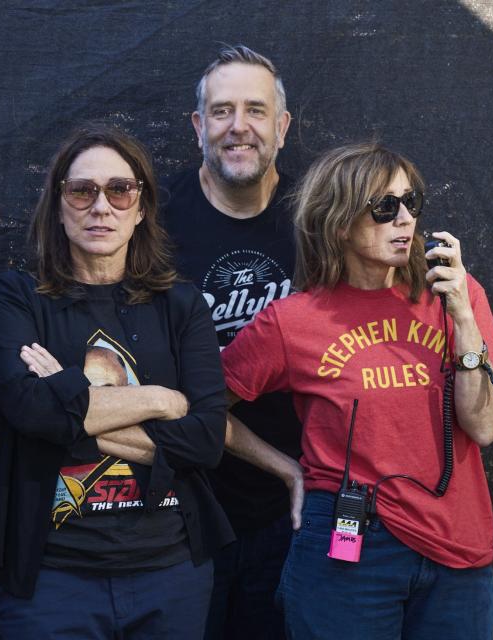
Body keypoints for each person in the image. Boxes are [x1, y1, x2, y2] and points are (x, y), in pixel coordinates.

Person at [220, 142, 493, 639]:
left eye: (411, 202)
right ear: (337, 221)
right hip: (350, 547)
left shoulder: (459, 296)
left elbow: (484, 426)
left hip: (458, 548)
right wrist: (287, 469)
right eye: (384, 207)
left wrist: (462, 317)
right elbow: (203, 407)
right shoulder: (292, 322)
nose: (404, 219)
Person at [0, 124, 233, 638]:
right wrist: (162, 399)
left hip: (171, 572)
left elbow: (206, 441)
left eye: (120, 190)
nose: (102, 206)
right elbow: (30, 412)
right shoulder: (18, 297)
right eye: (82, 190)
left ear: (141, 208)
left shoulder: (180, 305)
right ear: (58, 203)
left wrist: (68, 400)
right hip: (52, 579)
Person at [161, 43, 301, 639]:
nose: (238, 127)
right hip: (178, 506)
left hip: (291, 516)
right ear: (198, 127)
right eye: (221, 111)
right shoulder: (152, 226)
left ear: (282, 126)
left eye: (255, 110)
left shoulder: (318, 220)